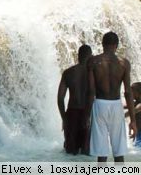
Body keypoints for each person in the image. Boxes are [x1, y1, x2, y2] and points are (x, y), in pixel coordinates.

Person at [87, 31, 137, 162]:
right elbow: (127, 92)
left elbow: (91, 91)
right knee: (119, 153)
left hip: (99, 105)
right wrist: (133, 121)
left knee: (101, 154)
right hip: (116, 105)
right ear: (116, 45)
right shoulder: (124, 63)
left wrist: (87, 116)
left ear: (102, 44)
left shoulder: (93, 61)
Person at [58, 44, 93, 155]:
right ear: (90, 56)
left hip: (72, 114)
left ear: (78, 56)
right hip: (88, 114)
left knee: (70, 153)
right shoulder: (93, 73)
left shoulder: (68, 73)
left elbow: (60, 98)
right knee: (86, 153)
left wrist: (64, 118)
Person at [126, 82, 141, 148]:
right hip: (138, 132)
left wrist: (121, 115)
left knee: (137, 149)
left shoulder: (140, 104)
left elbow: (134, 111)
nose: (130, 94)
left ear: (139, 93)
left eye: (132, 92)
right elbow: (126, 106)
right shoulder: (136, 102)